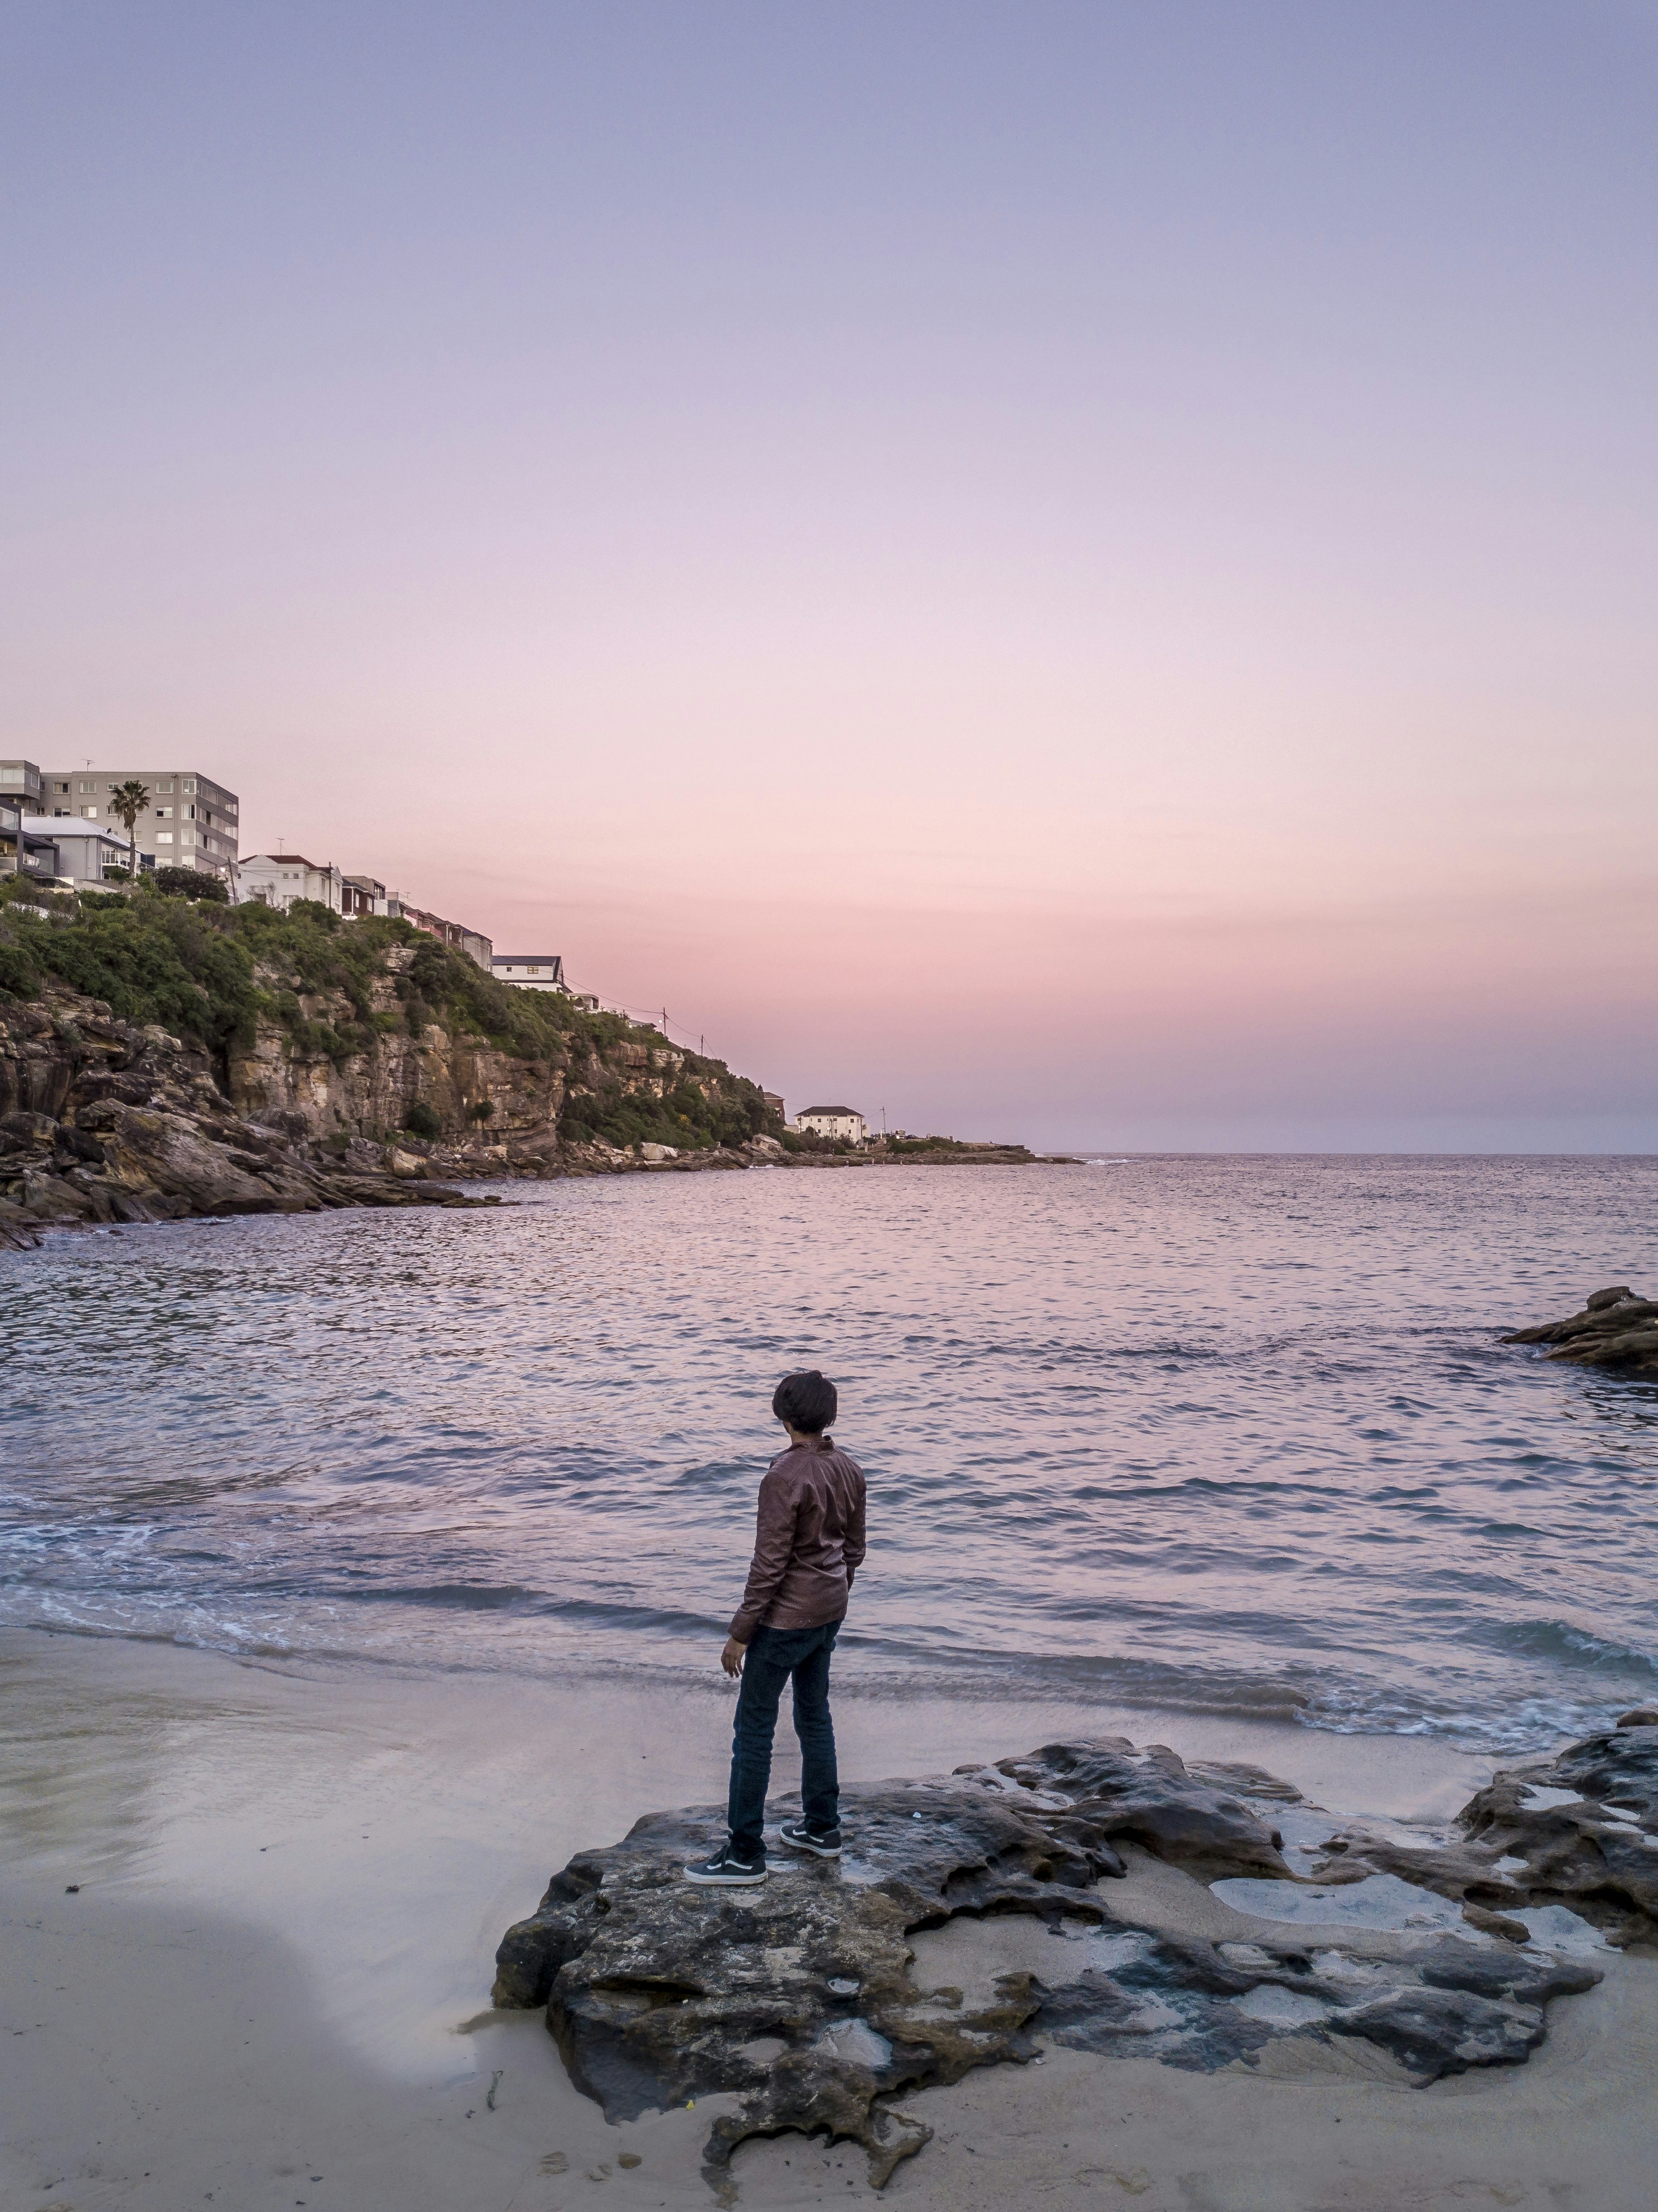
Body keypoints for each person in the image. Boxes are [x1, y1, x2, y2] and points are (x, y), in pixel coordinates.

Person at [684, 1369, 867, 1886]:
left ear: (782, 1417)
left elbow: (769, 1566)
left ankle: (744, 1854)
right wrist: (834, 1592)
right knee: (814, 1717)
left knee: (755, 1733)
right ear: (828, 1416)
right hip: (830, 1611)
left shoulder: (783, 1475)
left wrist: (741, 1632)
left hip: (785, 1620)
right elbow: (853, 1550)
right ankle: (822, 1829)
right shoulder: (849, 1468)